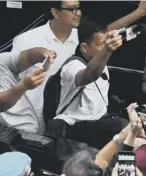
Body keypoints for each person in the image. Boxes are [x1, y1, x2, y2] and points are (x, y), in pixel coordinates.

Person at [12, 1, 146, 127]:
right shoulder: (27, 40)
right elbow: (12, 83)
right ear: (55, 12)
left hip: (61, 113)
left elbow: (103, 34)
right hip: (30, 120)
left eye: (78, 8)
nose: (77, 13)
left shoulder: (78, 37)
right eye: (71, 9)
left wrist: (140, 12)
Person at [46, 19, 128, 150]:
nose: (105, 46)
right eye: (102, 45)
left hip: (98, 123)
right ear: (84, 47)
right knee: (121, 126)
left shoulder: (101, 62)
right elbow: (89, 75)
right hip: (74, 128)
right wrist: (107, 51)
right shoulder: (72, 66)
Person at [0, 47, 56, 133]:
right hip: (10, 136)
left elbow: (27, 57)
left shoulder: (1, 60)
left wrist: (42, 53)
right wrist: (24, 86)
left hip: (31, 132)